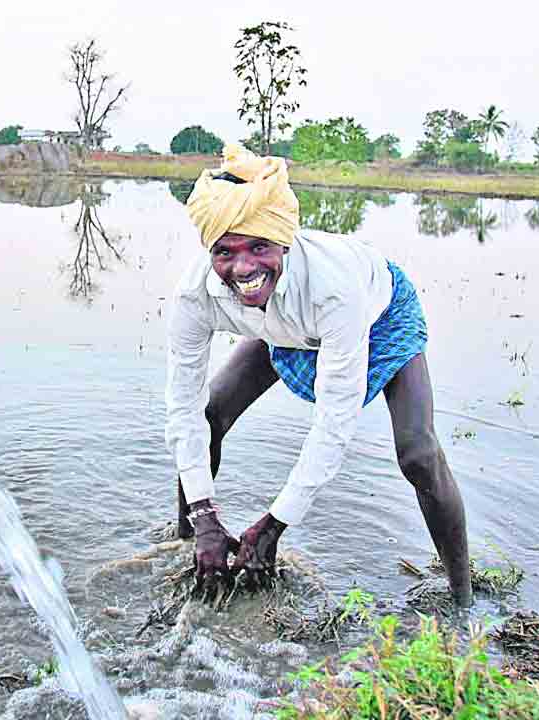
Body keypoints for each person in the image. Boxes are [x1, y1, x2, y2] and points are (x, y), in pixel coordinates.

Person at [164, 144, 473, 607]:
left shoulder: (334, 289)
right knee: (209, 415)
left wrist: (275, 524)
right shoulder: (197, 296)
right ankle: (193, 543)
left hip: (378, 317)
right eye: (225, 252)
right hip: (280, 326)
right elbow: (182, 409)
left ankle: (462, 596)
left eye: (259, 247)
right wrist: (205, 514)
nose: (244, 267)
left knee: (418, 454)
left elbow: (334, 423)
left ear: (284, 241)